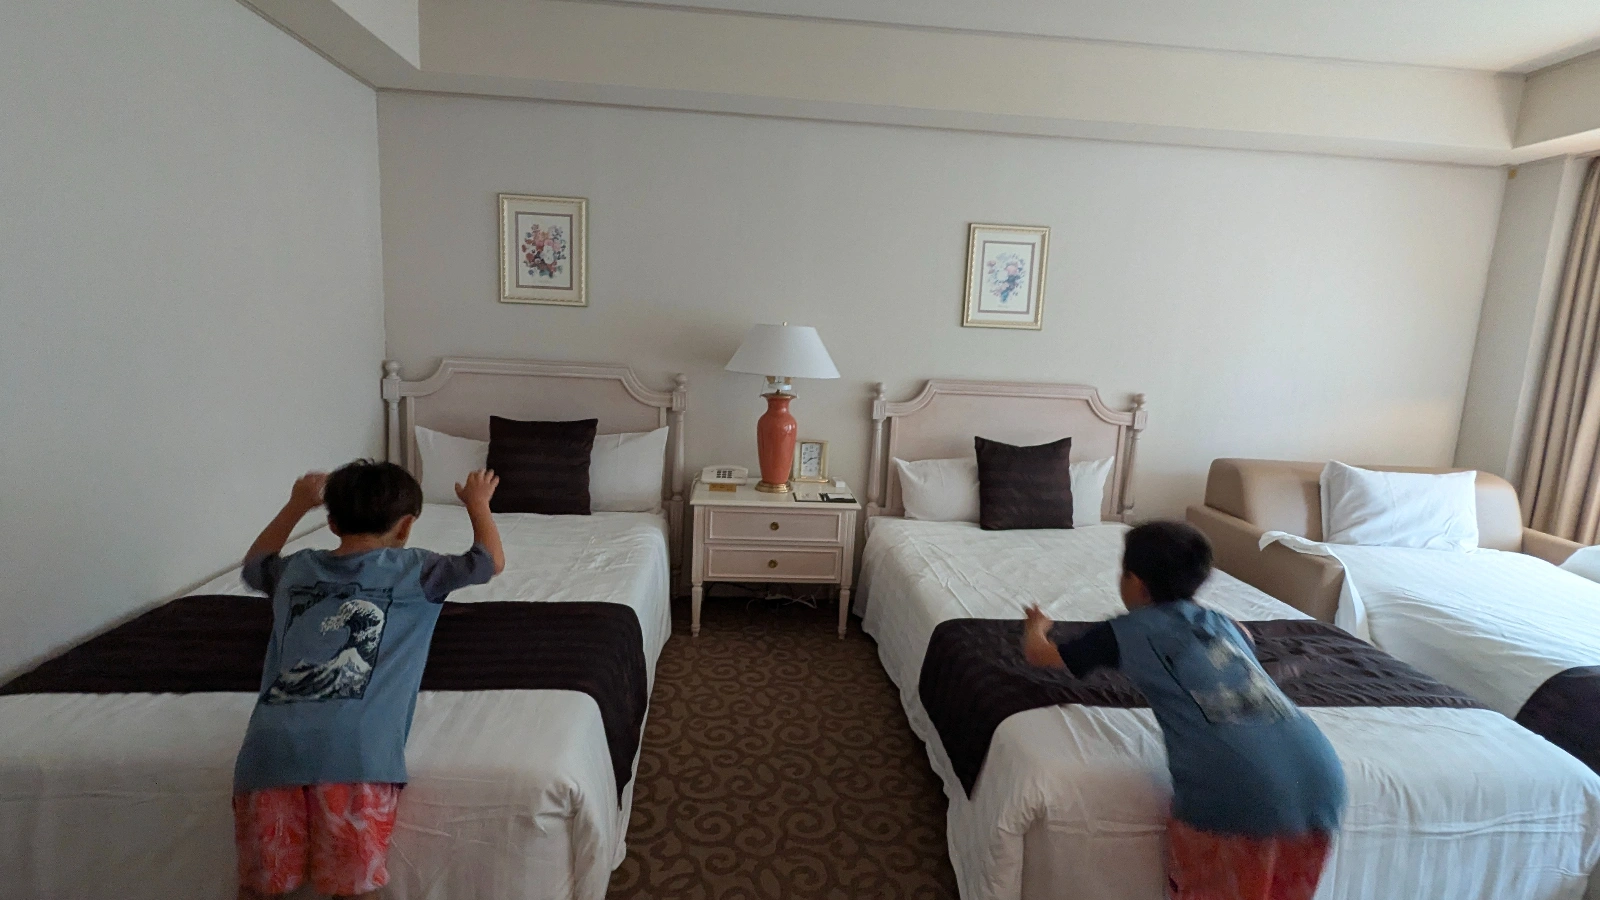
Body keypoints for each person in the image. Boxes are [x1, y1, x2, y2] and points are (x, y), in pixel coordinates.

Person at [1021, 521, 1346, 900]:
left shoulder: (1124, 631)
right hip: (1322, 776)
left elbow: (1039, 656)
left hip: (1236, 790)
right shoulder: (1224, 624)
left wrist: (1036, 626)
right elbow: (1247, 636)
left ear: (1135, 583)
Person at [231, 460, 506, 899]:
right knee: (351, 889)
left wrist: (295, 504)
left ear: (332, 521)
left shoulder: (295, 570)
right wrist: (478, 505)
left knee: (264, 888)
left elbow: (254, 564)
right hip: (356, 755)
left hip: (267, 750)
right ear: (406, 528)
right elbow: (488, 560)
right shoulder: (418, 570)